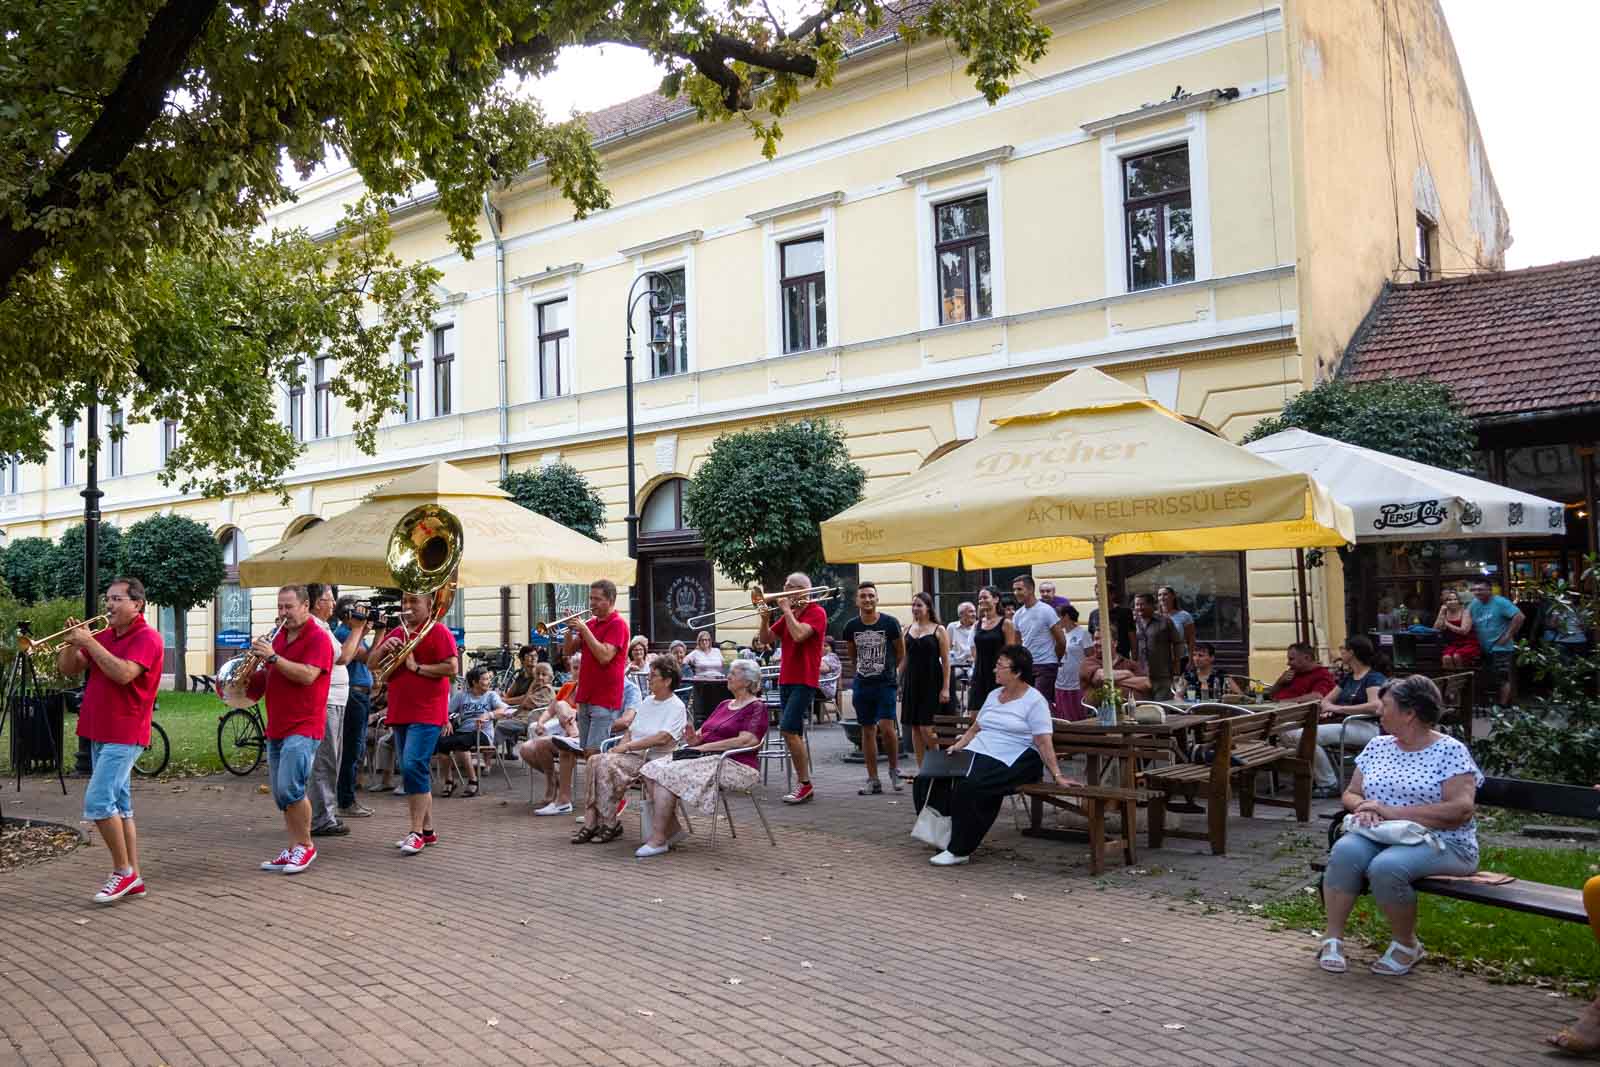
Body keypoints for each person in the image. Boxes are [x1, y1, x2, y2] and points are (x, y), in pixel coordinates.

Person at [1318, 675, 1483, 976]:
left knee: (1387, 867)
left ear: (1410, 713)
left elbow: (1461, 810)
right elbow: (1351, 794)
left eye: (1386, 705)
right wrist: (1364, 808)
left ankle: (1407, 945)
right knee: (1345, 851)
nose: (1379, 711)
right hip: (1382, 833)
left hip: (1445, 842)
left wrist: (1390, 811)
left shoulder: (1450, 751)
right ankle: (1333, 938)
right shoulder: (1378, 745)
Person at [914, 644, 1072, 866]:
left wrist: (1057, 775)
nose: (994, 670)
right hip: (980, 751)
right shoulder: (994, 694)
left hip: (1016, 757)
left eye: (1000, 666)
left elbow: (1043, 741)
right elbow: (976, 727)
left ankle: (960, 849)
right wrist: (958, 745)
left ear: (1017, 672)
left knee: (970, 785)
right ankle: (941, 837)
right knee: (928, 778)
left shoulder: (1035, 701)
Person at [56, 577, 163, 903]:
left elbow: (123, 673)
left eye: (117, 599)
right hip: (98, 729)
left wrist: (90, 643)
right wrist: (75, 644)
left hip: (125, 731)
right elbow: (68, 670)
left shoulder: (148, 637)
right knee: (121, 807)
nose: (109, 605)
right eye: (108, 599)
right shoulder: (104, 635)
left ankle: (122, 872)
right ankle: (135, 876)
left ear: (137, 604)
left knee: (99, 804)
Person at [636, 659, 771, 858]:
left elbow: (747, 741)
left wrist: (705, 747)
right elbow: (702, 735)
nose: (728, 676)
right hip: (704, 757)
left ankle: (658, 839)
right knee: (650, 769)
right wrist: (694, 739)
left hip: (736, 764)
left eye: (733, 673)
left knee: (665, 774)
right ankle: (669, 830)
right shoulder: (725, 704)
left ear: (747, 681)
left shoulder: (757, 707)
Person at [248, 585, 335, 875]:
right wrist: (247, 672)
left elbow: (308, 675)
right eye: (280, 608)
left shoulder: (318, 638)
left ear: (306, 606)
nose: (283, 614)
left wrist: (273, 657)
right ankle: (294, 846)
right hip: (278, 725)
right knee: (280, 794)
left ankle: (306, 846)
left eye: (289, 607)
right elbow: (263, 683)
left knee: (291, 787)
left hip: (305, 724)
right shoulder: (279, 637)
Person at [374, 589, 459, 854]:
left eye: (414, 601)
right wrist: (383, 649)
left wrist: (417, 668)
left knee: (413, 766)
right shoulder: (398, 632)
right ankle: (429, 830)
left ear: (429, 604)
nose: (408, 606)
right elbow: (370, 665)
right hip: (400, 710)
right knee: (412, 769)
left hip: (428, 711)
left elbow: (452, 668)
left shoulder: (438, 631)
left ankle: (415, 832)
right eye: (405, 601)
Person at [533, 579, 629, 816]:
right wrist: (569, 630)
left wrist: (584, 629)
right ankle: (597, 807)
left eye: (597, 599)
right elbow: (568, 651)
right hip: (586, 696)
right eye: (591, 599)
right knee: (588, 754)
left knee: (596, 756)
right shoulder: (592, 623)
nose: (592, 604)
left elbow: (604, 656)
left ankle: (601, 808)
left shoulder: (618, 624)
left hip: (604, 699)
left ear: (610, 600)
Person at [576, 656, 688, 843]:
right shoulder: (647, 701)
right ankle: (594, 820)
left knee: (605, 765)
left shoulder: (677, 706)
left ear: (667, 680)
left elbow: (663, 737)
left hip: (657, 759)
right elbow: (632, 729)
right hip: (634, 756)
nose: (649, 679)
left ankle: (607, 822)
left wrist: (627, 747)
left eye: (653, 676)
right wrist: (621, 747)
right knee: (595, 761)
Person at [1282, 635, 1389, 799]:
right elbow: (1325, 701)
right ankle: (1326, 777)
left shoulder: (1373, 677)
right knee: (1291, 734)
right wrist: (1330, 708)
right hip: (1346, 724)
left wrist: (1339, 708)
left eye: (1342, 648)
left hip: (1368, 727)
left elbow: (1375, 706)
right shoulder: (1348, 678)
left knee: (1302, 736)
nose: (1340, 651)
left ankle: (1328, 783)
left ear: (1351, 653)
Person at [757, 572, 828, 805]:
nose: (784, 591)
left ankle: (805, 784)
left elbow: (799, 635)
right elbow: (765, 639)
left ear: (803, 590)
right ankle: (803, 783)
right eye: (784, 586)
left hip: (804, 679)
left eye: (789, 587)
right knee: (792, 732)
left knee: (787, 729)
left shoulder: (817, 612)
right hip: (786, 679)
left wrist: (787, 611)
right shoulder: (793, 613)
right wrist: (765, 618)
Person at [842, 581, 906, 794]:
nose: (867, 599)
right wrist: (864, 671)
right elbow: (852, 655)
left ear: (877, 599)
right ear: (857, 600)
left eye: (871, 595)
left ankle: (894, 770)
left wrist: (890, 673)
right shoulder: (851, 626)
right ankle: (872, 779)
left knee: (888, 729)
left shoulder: (890, 623)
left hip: (886, 683)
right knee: (867, 730)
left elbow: (900, 652)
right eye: (863, 596)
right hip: (863, 683)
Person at [305, 583, 350, 838]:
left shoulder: (324, 627)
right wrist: (356, 631)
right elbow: (342, 657)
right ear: (314, 603)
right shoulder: (316, 627)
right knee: (325, 760)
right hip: (328, 701)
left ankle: (326, 813)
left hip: (336, 701)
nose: (333, 604)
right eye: (328, 599)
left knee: (333, 758)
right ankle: (322, 818)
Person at [435, 666, 512, 797]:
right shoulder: (461, 696)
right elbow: (446, 712)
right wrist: (446, 721)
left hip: (482, 733)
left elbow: (504, 710)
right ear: (475, 682)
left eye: (488, 679)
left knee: (460, 744)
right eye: (485, 679)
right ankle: (449, 780)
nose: (489, 682)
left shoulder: (491, 695)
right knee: (441, 743)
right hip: (463, 731)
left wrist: (488, 715)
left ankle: (473, 780)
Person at [332, 595, 374, 820]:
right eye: (358, 610)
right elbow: (363, 656)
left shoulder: (355, 632)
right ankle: (345, 801)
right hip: (353, 697)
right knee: (351, 750)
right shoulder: (343, 634)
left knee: (355, 749)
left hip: (362, 696)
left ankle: (347, 799)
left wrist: (379, 631)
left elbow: (372, 658)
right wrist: (364, 632)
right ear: (347, 614)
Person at [899, 592, 950, 771]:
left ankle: (937, 767)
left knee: (927, 728)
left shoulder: (939, 630)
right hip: (912, 681)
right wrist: (897, 680)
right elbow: (904, 659)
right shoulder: (906, 630)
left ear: (928, 608)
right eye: (913, 605)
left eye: (919, 605)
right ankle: (922, 771)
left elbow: (945, 661)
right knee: (914, 727)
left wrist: (946, 688)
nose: (915, 608)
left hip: (931, 681)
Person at [1469, 579, 1524, 705]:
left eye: (1481, 589)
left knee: (1502, 678)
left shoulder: (1500, 602)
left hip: (1501, 648)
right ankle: (1491, 705)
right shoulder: (1474, 604)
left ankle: (1503, 706)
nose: (1477, 592)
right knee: (1488, 677)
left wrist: (1508, 635)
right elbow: (1466, 619)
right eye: (1475, 590)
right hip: (1483, 648)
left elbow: (1519, 617)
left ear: (1489, 590)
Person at [968, 586, 1018, 712]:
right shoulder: (977, 624)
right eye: (979, 598)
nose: (981, 601)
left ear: (996, 599)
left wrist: (1006, 674)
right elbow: (974, 649)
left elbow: (1010, 653)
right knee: (975, 713)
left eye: (985, 597)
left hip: (998, 674)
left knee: (998, 713)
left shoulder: (1006, 623)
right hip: (979, 673)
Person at [1010, 575, 1060, 699]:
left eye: (1020, 589)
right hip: (1027, 665)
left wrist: (1054, 659)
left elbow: (1061, 640)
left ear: (1031, 589)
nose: (1016, 593)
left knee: (1040, 701)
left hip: (1046, 665)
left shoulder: (1046, 610)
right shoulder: (1017, 615)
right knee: (1026, 702)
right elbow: (1017, 644)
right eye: (1014, 590)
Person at [498, 653, 554, 755]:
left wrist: (532, 685)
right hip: (523, 718)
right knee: (503, 719)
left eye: (544, 674)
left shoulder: (546, 690)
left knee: (500, 724)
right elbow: (519, 700)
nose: (540, 677)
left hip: (531, 722)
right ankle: (505, 752)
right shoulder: (529, 682)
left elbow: (525, 702)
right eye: (537, 674)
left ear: (550, 678)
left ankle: (489, 752)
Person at [1131, 592, 1181, 702]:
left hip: (1162, 673)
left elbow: (1177, 643)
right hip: (1140, 675)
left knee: (1162, 708)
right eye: (1136, 605)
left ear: (1151, 605)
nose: (1138, 608)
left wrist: (1177, 666)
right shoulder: (1132, 623)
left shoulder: (1165, 621)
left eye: (1142, 604)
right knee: (1144, 709)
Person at [1051, 603, 1093, 720]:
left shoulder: (1083, 633)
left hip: (1077, 682)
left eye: (1057, 617)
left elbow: (1091, 657)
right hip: (1061, 680)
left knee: (1079, 714)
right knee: (1063, 714)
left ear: (1066, 616)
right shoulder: (1060, 634)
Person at [1264, 642, 1338, 701]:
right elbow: (1270, 695)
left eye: (1291, 659)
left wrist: (1282, 702)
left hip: (1290, 715)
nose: (1288, 663)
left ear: (1306, 658)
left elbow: (1317, 697)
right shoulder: (1293, 672)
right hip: (1274, 710)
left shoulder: (1321, 674)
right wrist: (1279, 682)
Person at [1434, 588, 1479, 669]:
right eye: (1449, 600)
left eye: (1455, 599)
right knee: (1446, 658)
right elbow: (1435, 630)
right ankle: (1451, 680)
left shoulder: (1465, 612)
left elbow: (1464, 631)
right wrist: (1441, 613)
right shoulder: (1444, 612)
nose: (1452, 602)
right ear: (1445, 602)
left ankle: (1463, 679)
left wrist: (1447, 624)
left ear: (1459, 601)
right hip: (1454, 644)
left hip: (1468, 643)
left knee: (1457, 656)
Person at [1087, 586, 1135, 660]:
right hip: (1101, 660)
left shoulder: (1125, 612)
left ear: (1112, 594)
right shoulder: (1093, 614)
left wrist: (1134, 658)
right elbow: (1091, 639)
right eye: (1097, 594)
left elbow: (1132, 637)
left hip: (1121, 658)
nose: (1099, 597)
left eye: (1102, 593)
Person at [1157, 586, 1197, 671]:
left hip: (1180, 659)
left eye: (1165, 594)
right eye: (1159, 595)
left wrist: (1191, 660)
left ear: (1173, 596)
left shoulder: (1184, 615)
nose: (1162, 597)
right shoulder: (1154, 616)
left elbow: (1191, 639)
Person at [948, 601, 977, 668]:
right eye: (971, 612)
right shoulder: (952, 627)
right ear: (961, 614)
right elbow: (947, 649)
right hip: (957, 666)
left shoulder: (979, 627)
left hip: (974, 665)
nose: (974, 614)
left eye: (974, 611)